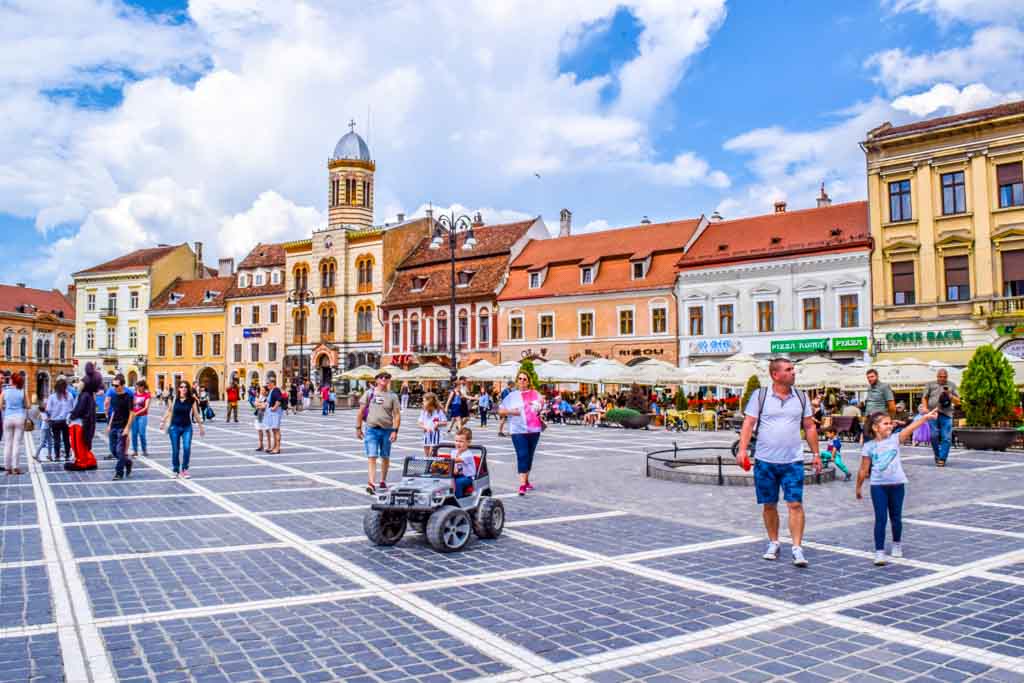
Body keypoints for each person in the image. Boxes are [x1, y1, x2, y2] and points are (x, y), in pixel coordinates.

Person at [735, 358, 822, 568]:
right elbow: (749, 423)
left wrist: (816, 453)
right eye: (789, 369)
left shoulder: (801, 397)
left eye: (793, 369)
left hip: (793, 460)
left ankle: (797, 547)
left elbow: (809, 427)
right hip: (765, 460)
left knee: (795, 504)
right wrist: (742, 449)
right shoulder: (760, 396)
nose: (794, 372)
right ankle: (774, 542)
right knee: (769, 504)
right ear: (775, 375)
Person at [857, 408, 938, 565]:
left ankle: (897, 544)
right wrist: (858, 488)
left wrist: (925, 417)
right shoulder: (869, 446)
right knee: (880, 519)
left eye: (890, 423)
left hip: (897, 485)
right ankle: (879, 552)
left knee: (896, 518)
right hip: (878, 486)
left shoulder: (896, 439)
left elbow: (912, 427)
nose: (890, 426)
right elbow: (863, 469)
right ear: (875, 427)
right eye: (885, 424)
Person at [499, 370, 546, 496]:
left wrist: (540, 405)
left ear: (528, 381)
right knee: (522, 454)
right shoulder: (511, 396)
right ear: (516, 380)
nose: (522, 381)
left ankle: (526, 480)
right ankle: (522, 485)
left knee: (529, 455)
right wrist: (510, 412)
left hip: (534, 429)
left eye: (524, 379)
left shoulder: (535, 393)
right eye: (520, 378)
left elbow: (542, 403)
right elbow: (500, 411)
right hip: (517, 430)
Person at [355, 371, 401, 494]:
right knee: (372, 456)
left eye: (387, 377)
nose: (384, 379)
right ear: (376, 380)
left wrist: (395, 431)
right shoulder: (369, 393)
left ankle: (383, 481)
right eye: (382, 377)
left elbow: (396, 415)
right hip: (371, 429)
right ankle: (371, 483)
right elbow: (360, 411)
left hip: (387, 430)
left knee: (385, 456)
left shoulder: (393, 396)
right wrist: (358, 428)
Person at [159, 381, 204, 478]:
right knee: (176, 449)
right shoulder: (174, 398)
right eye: (181, 387)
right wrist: (163, 421)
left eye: (185, 387)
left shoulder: (191, 400)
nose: (183, 388)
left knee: (187, 448)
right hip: (174, 427)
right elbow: (169, 410)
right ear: (178, 388)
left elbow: (196, 414)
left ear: (188, 389)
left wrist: (201, 427)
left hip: (187, 427)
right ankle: (175, 470)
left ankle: (184, 469)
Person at [65, 364, 102, 471]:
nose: (79, 384)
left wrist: (71, 416)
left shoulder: (85, 395)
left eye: (81, 382)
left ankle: (82, 462)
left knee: (78, 444)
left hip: (79, 423)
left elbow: (79, 409)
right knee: (81, 444)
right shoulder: (88, 395)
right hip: (82, 423)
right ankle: (88, 461)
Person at [921, 369, 960, 467]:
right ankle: (937, 455)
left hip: (946, 414)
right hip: (932, 413)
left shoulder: (952, 385)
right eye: (940, 376)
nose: (942, 378)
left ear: (947, 377)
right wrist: (925, 408)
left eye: (944, 377)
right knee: (934, 436)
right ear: (937, 376)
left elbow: (958, 401)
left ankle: (942, 458)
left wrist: (950, 395)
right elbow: (924, 397)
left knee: (946, 437)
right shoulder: (930, 385)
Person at [106, 374, 136, 480]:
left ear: (123, 385)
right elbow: (114, 411)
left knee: (120, 451)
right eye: (113, 385)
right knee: (113, 450)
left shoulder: (129, 396)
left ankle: (119, 473)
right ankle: (127, 462)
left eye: (116, 385)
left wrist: (127, 428)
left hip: (123, 427)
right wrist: (109, 424)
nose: (114, 387)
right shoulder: (114, 396)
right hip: (114, 425)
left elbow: (132, 413)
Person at [1, 373, 27, 475]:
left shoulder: (4, 392)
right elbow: (28, 405)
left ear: (12, 381)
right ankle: (16, 468)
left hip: (8, 417)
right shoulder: (22, 391)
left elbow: (0, 406)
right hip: (19, 417)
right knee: (17, 443)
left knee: (7, 444)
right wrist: (21, 405)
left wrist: (6, 407)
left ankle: (7, 468)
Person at [46, 379, 74, 462]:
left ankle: (57, 456)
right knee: (66, 439)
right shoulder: (70, 395)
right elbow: (72, 408)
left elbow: (48, 410)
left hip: (55, 421)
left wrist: (49, 416)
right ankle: (67, 455)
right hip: (66, 421)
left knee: (56, 439)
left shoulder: (52, 397)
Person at [418, 392, 447, 456]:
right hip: (426, 434)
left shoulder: (438, 411)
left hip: (436, 435)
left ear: (430, 402)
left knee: (432, 453)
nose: (423, 402)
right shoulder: (424, 411)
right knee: (427, 454)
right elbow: (419, 423)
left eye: (424, 401)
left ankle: (432, 464)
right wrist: (425, 427)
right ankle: (429, 465)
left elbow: (445, 422)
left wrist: (438, 424)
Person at [451, 427, 477, 498]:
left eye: (461, 441)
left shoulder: (468, 454)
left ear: (468, 442)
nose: (458, 443)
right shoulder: (454, 452)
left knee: (458, 482)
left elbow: (455, 461)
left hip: (468, 477)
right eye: (456, 441)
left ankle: (458, 499)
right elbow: (453, 466)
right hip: (458, 474)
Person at [130, 380, 150, 458]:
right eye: (137, 386)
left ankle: (144, 450)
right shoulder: (133, 395)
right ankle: (135, 451)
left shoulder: (147, 395)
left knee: (142, 434)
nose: (138, 388)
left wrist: (136, 413)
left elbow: (146, 407)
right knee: (134, 434)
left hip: (142, 416)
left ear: (143, 387)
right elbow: (131, 405)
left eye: (140, 386)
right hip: (133, 416)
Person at [264, 378, 285, 453]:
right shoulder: (272, 390)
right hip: (272, 414)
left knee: (276, 430)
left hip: (276, 413)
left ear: (272, 383)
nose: (267, 385)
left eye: (268, 383)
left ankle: (277, 448)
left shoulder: (276, 390)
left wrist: (274, 407)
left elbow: (279, 400)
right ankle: (274, 446)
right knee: (274, 429)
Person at [253, 385, 269, 451]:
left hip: (265, 416)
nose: (261, 391)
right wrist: (260, 404)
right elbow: (255, 404)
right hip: (259, 415)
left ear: (266, 391)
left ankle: (268, 445)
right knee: (259, 430)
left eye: (263, 390)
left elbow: (264, 406)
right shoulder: (259, 397)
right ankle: (260, 445)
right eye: (261, 390)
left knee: (267, 430)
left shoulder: (268, 398)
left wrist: (259, 404)